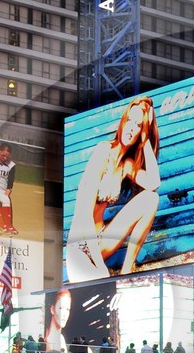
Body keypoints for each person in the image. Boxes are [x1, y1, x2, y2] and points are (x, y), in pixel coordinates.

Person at [67, 95, 161, 281]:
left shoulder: (127, 165)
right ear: (123, 121)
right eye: (129, 121)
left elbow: (154, 183)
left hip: (101, 240)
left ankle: (127, 271)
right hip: (80, 244)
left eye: (137, 125)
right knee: (96, 282)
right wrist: (100, 265)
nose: (131, 128)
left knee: (151, 198)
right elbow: (84, 214)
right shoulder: (103, 151)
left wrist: (146, 140)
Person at [46, 288, 73, 353]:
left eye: (67, 309)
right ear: (52, 309)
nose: (64, 314)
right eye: (61, 308)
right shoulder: (48, 340)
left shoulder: (61, 338)